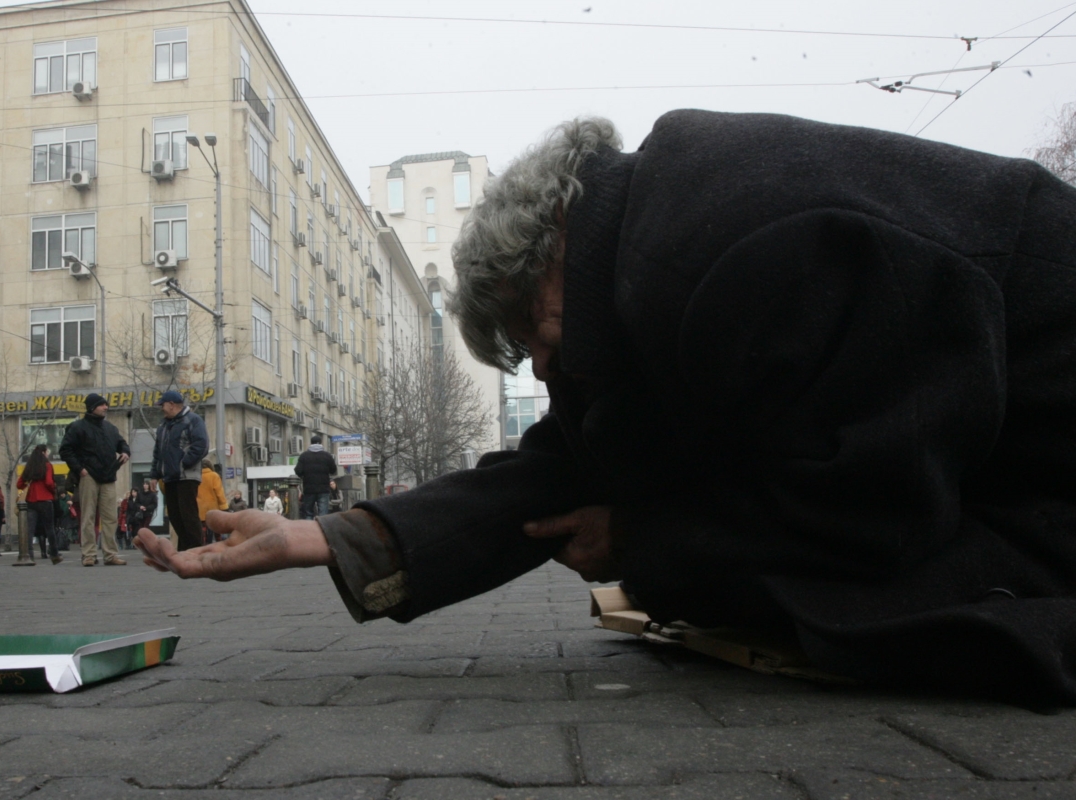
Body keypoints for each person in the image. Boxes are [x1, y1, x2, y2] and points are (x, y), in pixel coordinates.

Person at [137, 110, 1076, 705]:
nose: (545, 372)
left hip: (1049, 482)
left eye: (534, 338)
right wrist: (330, 538)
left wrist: (644, 541)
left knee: (889, 621)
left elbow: (875, 513)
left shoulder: (719, 250)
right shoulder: (643, 251)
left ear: (550, 256)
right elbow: (568, 462)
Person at [59, 393, 130, 566]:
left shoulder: (110, 428)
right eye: (102, 405)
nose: (106, 407)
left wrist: (126, 451)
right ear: (92, 407)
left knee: (110, 517)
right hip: (88, 476)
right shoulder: (77, 427)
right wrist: (80, 469)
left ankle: (110, 554)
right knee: (88, 517)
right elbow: (65, 450)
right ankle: (88, 554)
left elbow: (122, 443)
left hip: (108, 477)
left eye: (106, 404)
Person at [147, 390, 208, 551]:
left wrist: (183, 463)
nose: (161, 408)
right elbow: (158, 452)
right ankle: (184, 550)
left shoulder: (193, 420)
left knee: (188, 515)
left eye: (163, 405)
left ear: (172, 405)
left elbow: (201, 445)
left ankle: (196, 550)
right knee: (175, 516)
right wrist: (154, 475)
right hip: (169, 477)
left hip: (186, 476)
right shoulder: (163, 425)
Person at [17, 444, 62, 564]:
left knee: (30, 530)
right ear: (43, 453)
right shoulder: (47, 465)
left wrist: (29, 485)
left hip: (31, 500)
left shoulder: (30, 466)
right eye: (47, 452)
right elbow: (48, 482)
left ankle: (29, 554)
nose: (48, 454)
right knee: (49, 529)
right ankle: (54, 554)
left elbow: (19, 484)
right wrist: (54, 489)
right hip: (46, 500)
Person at [293, 435, 335, 520]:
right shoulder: (327, 456)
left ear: (311, 443)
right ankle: (322, 531)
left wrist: (304, 476)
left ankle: (309, 530)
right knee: (323, 514)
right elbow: (333, 470)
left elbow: (298, 470)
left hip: (309, 489)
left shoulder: (304, 456)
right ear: (321, 443)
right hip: (323, 489)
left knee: (308, 513)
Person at [196, 459, 228, 542]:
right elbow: (219, 492)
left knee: (202, 532)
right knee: (216, 530)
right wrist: (224, 506)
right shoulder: (214, 476)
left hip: (199, 508)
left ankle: (203, 548)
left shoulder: (196, 476)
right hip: (213, 509)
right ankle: (218, 548)